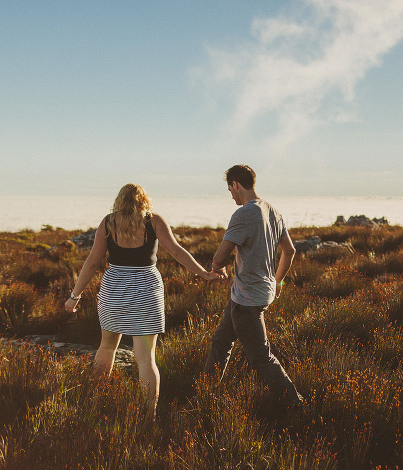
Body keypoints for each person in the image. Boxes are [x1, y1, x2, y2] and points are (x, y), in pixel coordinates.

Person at [64, 183, 223, 419]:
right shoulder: (154, 221)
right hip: (146, 290)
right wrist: (205, 274)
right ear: (143, 201)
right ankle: (148, 416)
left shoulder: (108, 222)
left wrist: (73, 297)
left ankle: (94, 405)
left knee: (106, 347)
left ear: (119, 201)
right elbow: (177, 252)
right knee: (146, 358)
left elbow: (92, 262)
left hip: (114, 288)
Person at [204, 164, 303, 408]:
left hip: (247, 300)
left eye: (230, 190)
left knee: (262, 358)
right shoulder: (274, 212)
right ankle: (205, 395)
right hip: (251, 295)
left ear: (236, 184)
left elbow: (219, 256)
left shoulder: (244, 214)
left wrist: (219, 267)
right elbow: (289, 251)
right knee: (221, 341)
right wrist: (278, 281)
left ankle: (297, 405)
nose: (232, 196)